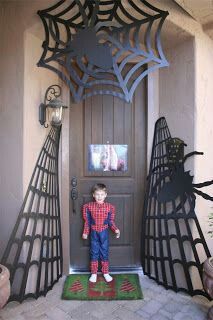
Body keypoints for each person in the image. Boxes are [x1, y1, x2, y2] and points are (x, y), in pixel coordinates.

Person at [82, 183, 120, 283]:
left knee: (104, 252)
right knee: (94, 252)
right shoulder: (88, 207)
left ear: (105, 195)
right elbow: (87, 221)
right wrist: (86, 232)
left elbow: (111, 221)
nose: (99, 197)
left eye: (102, 194)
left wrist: (116, 229)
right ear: (93, 195)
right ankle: (94, 273)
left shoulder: (110, 207)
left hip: (104, 233)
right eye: (97, 194)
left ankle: (106, 272)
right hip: (94, 233)